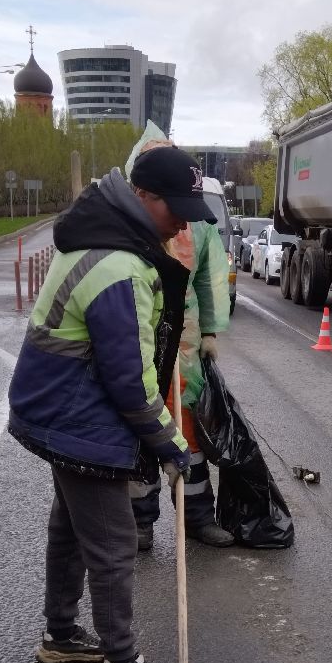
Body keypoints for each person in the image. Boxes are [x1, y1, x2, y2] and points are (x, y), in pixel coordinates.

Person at [8, 145, 215, 663]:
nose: (181, 223)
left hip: (57, 405)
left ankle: (61, 633)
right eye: (174, 209)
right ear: (142, 197)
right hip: (78, 415)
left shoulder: (106, 240)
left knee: (71, 525)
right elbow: (129, 381)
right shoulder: (119, 266)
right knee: (113, 539)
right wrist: (173, 445)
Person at [122, 125, 234, 551]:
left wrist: (208, 331)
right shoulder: (130, 223)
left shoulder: (197, 225)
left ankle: (197, 517)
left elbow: (209, 277)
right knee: (140, 429)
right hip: (138, 337)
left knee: (186, 428)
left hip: (183, 340)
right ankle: (139, 523)